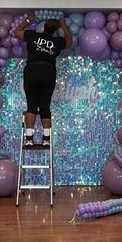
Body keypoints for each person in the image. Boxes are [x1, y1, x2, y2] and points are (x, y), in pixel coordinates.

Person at [15, 12, 73, 146]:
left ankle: (29, 139)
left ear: (43, 27)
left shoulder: (33, 36)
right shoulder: (57, 42)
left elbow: (17, 31)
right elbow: (70, 41)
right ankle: (46, 139)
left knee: (31, 106)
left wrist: (28, 20)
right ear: (55, 31)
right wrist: (64, 26)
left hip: (31, 71)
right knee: (45, 106)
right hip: (48, 73)